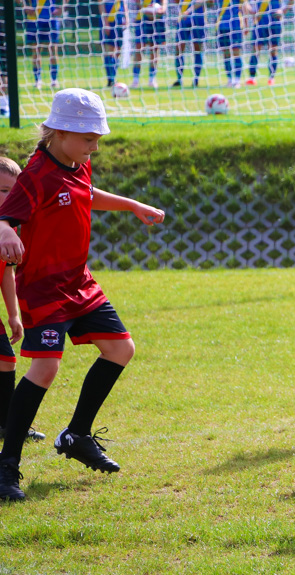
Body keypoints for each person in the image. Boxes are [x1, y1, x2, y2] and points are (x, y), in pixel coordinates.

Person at [0, 89, 166, 502]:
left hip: (80, 284)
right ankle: (6, 468)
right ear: (58, 132)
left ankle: (76, 435)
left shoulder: (77, 164)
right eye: (89, 138)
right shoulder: (35, 174)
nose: (95, 146)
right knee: (45, 370)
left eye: (97, 138)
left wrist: (132, 205)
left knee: (121, 349)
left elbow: (87, 197)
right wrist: (5, 230)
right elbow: (7, 216)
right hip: (44, 289)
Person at [0, 158, 44, 443]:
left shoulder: (9, 231)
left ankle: (7, 424)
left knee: (6, 361)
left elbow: (6, 274)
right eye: (3, 190)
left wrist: (13, 316)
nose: (9, 197)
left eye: (13, 192)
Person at [23, 0, 63, 89]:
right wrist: (24, 5)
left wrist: (62, 6)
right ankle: (38, 81)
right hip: (34, 19)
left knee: (53, 50)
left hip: (51, 18)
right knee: (36, 51)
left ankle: (54, 80)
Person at [244, 0, 285, 86]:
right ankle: (252, 78)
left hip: (274, 22)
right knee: (255, 50)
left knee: (273, 51)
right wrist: (251, 10)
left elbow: (291, 1)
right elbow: (245, 2)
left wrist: (283, 11)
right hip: (260, 21)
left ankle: (271, 78)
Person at [132, 0, 166, 88]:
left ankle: (152, 79)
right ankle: (135, 79)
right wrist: (147, 10)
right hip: (142, 20)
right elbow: (138, 4)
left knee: (154, 49)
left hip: (157, 21)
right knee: (139, 48)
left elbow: (164, 7)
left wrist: (159, 11)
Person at [173, 0, 207, 88]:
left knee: (197, 49)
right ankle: (179, 79)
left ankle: (196, 79)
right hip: (184, 18)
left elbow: (211, 3)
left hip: (198, 18)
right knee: (179, 48)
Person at [216, 0, 244, 87]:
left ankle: (237, 80)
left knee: (236, 53)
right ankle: (229, 79)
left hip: (235, 25)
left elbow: (244, 6)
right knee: (226, 54)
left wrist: (245, 23)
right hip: (222, 26)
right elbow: (211, 4)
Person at [99, 0, 126, 88]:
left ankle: (114, 76)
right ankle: (110, 79)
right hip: (109, 21)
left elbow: (124, 4)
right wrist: (105, 22)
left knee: (118, 52)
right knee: (109, 51)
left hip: (119, 21)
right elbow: (101, 4)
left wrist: (127, 19)